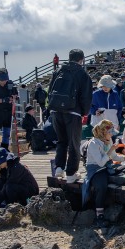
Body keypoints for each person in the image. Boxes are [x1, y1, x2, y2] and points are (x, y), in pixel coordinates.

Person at [48, 49, 93, 183]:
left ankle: (59, 168)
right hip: (73, 112)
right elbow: (86, 97)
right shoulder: (83, 74)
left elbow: (50, 90)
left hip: (56, 111)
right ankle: (71, 173)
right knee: (74, 144)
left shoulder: (58, 71)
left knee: (62, 141)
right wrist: (84, 112)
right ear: (82, 59)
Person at [83, 120, 122, 231]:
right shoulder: (93, 143)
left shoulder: (108, 140)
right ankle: (99, 215)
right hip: (95, 168)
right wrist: (110, 150)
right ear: (103, 132)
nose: (112, 135)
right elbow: (100, 162)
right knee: (101, 186)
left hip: (107, 166)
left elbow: (114, 157)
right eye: (110, 132)